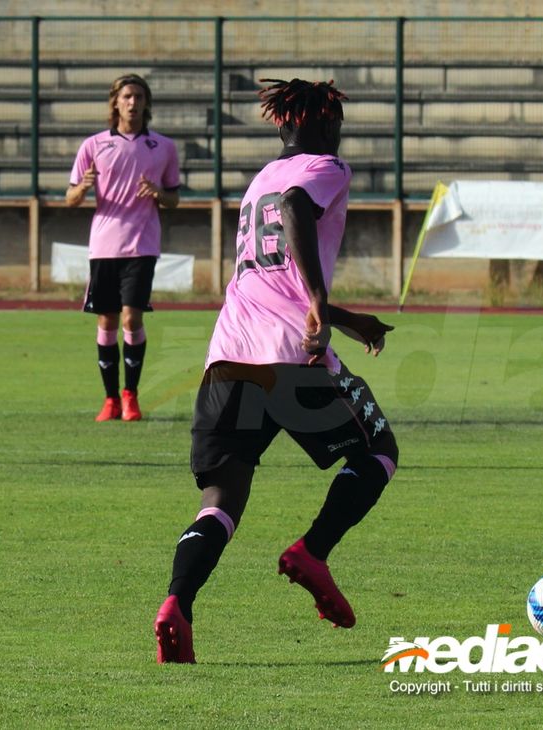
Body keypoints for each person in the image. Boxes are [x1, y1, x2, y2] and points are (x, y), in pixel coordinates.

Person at [152, 79, 398, 664]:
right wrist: (320, 303)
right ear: (320, 124)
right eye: (334, 120)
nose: (338, 131)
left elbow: (271, 277)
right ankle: (313, 551)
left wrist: (345, 317)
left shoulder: (259, 179)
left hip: (228, 357)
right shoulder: (325, 168)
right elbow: (295, 211)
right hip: (292, 358)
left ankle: (177, 603)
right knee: (379, 452)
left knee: (221, 500)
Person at [66, 73, 180, 422]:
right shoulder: (94, 145)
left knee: (132, 317)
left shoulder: (163, 147)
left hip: (142, 245)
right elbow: (70, 198)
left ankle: (131, 395)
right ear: (115, 102)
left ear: (147, 103)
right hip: (104, 245)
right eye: (127, 96)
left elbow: (173, 199)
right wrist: (83, 188)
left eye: (139, 97)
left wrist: (158, 194)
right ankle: (110, 399)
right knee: (107, 319)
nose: (133, 103)